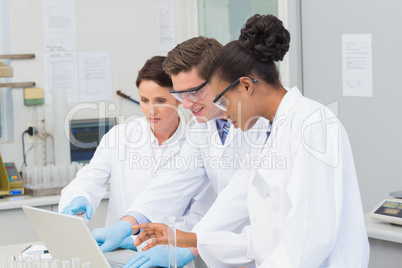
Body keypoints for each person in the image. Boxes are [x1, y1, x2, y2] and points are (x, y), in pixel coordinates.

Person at [129, 14, 370, 268]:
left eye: (222, 101)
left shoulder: (312, 124)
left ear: (245, 86)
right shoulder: (274, 132)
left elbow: (308, 240)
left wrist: (192, 243)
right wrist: (188, 239)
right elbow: (264, 237)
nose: (222, 110)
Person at [91, 36, 268, 264]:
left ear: (220, 80)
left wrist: (190, 248)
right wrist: (126, 224)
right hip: (226, 254)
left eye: (193, 92)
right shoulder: (202, 129)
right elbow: (171, 183)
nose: (185, 104)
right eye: (180, 94)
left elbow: (239, 203)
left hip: (260, 252)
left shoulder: (259, 126)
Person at [58, 56, 215, 251]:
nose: (151, 110)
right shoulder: (121, 136)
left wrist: (145, 240)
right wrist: (78, 197)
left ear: (180, 100)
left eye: (160, 101)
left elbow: (199, 214)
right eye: (144, 100)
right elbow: (90, 178)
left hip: (169, 254)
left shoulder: (197, 142)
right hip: (116, 249)